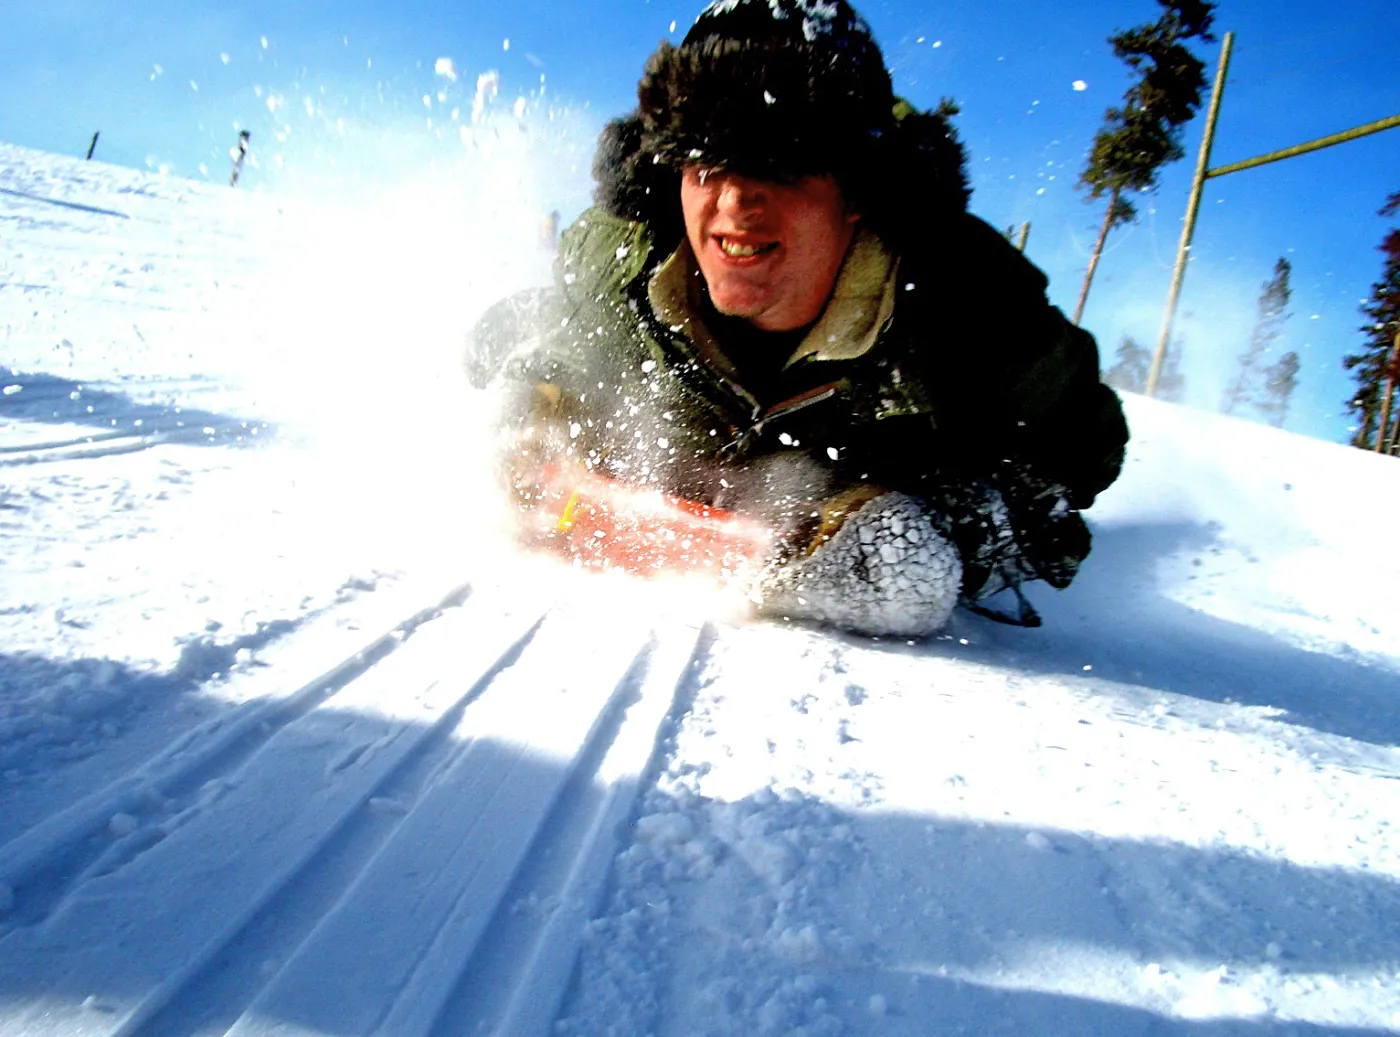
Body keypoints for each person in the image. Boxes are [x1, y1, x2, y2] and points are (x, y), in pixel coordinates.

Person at [464, 0, 1129, 637]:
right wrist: (529, 410)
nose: (734, 200)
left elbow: (1078, 457)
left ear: (859, 190)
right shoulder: (622, 259)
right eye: (706, 159)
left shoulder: (972, 307)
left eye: (780, 160)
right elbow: (540, 343)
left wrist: (947, 526)